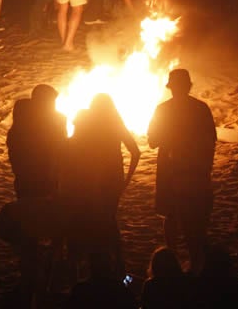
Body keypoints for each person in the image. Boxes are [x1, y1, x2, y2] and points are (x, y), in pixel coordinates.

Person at [147, 68, 217, 273]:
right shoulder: (201, 108)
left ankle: (173, 258)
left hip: (170, 171)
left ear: (172, 88)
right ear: (188, 86)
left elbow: (152, 141)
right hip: (196, 171)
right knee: (194, 219)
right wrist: (206, 168)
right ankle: (196, 263)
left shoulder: (163, 110)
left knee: (170, 215)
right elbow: (211, 141)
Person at [67, 94, 140, 276]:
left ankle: (100, 261)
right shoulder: (115, 124)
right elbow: (135, 152)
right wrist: (127, 179)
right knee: (108, 217)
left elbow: (77, 149)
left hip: (93, 178)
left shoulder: (90, 125)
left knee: (97, 218)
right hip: (113, 178)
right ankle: (116, 259)